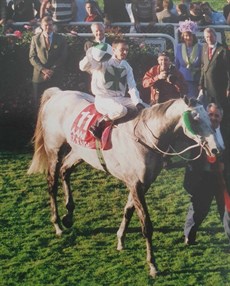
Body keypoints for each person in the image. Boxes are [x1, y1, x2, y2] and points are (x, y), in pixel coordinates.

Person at [79, 39, 146, 139]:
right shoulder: (103, 61)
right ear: (113, 50)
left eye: (127, 50)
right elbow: (83, 67)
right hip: (103, 99)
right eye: (122, 50)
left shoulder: (127, 66)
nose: (125, 52)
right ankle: (98, 124)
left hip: (120, 99)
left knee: (147, 107)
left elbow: (132, 87)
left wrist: (137, 102)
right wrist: (90, 53)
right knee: (121, 111)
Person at [184, 103, 230, 245]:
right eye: (210, 114)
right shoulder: (198, 132)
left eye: (217, 115)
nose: (214, 118)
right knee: (199, 209)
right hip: (203, 178)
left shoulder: (227, 132)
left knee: (227, 210)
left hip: (224, 179)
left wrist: (225, 165)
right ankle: (189, 236)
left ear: (221, 118)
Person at [198, 27, 230, 201]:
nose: (208, 37)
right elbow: (203, 68)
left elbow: (228, 70)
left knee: (221, 118)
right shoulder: (204, 48)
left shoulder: (223, 50)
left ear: (215, 36)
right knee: (208, 118)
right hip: (208, 91)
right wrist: (201, 85)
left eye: (210, 35)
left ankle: (223, 142)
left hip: (220, 92)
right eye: (206, 35)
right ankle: (209, 141)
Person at [29, 16, 68, 110]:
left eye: (50, 25)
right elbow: (32, 57)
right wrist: (43, 70)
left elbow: (63, 57)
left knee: (56, 104)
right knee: (38, 105)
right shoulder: (35, 39)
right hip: (39, 77)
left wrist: (52, 70)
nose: (48, 27)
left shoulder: (61, 39)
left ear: (53, 25)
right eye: (46, 25)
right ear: (41, 26)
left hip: (56, 75)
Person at [175, 20, 202, 98]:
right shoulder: (179, 47)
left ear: (194, 36)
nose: (188, 37)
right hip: (183, 79)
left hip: (196, 79)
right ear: (182, 36)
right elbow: (177, 64)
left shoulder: (200, 48)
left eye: (190, 35)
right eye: (186, 35)